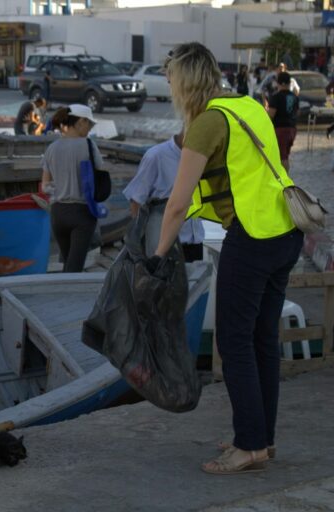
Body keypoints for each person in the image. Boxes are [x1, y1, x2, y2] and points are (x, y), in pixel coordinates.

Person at [154, 42, 302, 475]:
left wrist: (159, 255)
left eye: (170, 80)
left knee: (232, 342)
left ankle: (248, 446)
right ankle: (262, 438)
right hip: (285, 233)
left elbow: (177, 205)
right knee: (261, 339)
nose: (168, 87)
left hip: (252, 237)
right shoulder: (248, 107)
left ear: (184, 82)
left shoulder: (204, 125)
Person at [41, 104, 106, 272]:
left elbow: (44, 187)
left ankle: (63, 294)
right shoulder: (89, 146)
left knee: (68, 263)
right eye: (89, 124)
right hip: (82, 213)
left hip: (58, 214)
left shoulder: (51, 148)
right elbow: (101, 174)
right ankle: (68, 296)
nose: (90, 129)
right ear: (80, 122)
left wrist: (61, 187)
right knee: (74, 268)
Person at [123, 131, 205, 262]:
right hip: (165, 248)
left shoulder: (201, 156)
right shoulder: (156, 156)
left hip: (195, 242)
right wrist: (141, 242)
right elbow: (136, 201)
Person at [267, 71, 299, 171]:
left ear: (278, 83)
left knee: (282, 157)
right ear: (289, 83)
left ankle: (285, 181)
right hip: (292, 129)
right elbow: (298, 112)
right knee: (285, 155)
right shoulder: (294, 97)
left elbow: (271, 114)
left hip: (280, 129)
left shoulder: (276, 97)